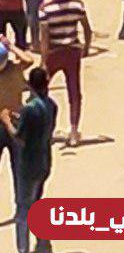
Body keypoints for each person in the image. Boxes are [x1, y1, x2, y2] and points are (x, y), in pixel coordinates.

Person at [0, 66, 57, 253]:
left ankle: (23, 249)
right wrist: (18, 117)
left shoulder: (29, 109)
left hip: (29, 164)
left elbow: (19, 137)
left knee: (23, 209)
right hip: (44, 161)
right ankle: (43, 242)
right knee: (37, 202)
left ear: (30, 86)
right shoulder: (51, 105)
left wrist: (7, 120)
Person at [39, 0, 91, 147]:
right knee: (74, 92)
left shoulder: (46, 9)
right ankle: (74, 131)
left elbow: (44, 38)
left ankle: (44, 130)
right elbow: (87, 29)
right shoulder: (77, 5)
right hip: (72, 52)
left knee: (40, 91)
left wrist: (43, 61)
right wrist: (86, 47)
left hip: (54, 52)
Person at [0, 34, 35, 229]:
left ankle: (22, 208)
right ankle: (22, 209)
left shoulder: (14, 69)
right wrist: (11, 46)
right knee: (19, 169)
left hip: (7, 124)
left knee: (19, 168)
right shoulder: (15, 69)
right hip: (15, 124)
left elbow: (29, 60)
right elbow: (29, 60)